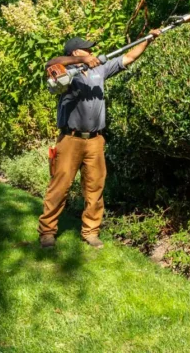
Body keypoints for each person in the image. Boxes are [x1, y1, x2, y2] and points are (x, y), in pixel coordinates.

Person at [38, 30, 160, 249]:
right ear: (75, 52)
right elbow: (51, 63)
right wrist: (81, 62)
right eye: (87, 49)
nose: (91, 51)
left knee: (95, 187)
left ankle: (91, 232)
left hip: (95, 140)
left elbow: (128, 57)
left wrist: (148, 39)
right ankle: (47, 232)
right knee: (60, 186)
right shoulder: (63, 73)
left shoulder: (99, 70)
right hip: (70, 140)